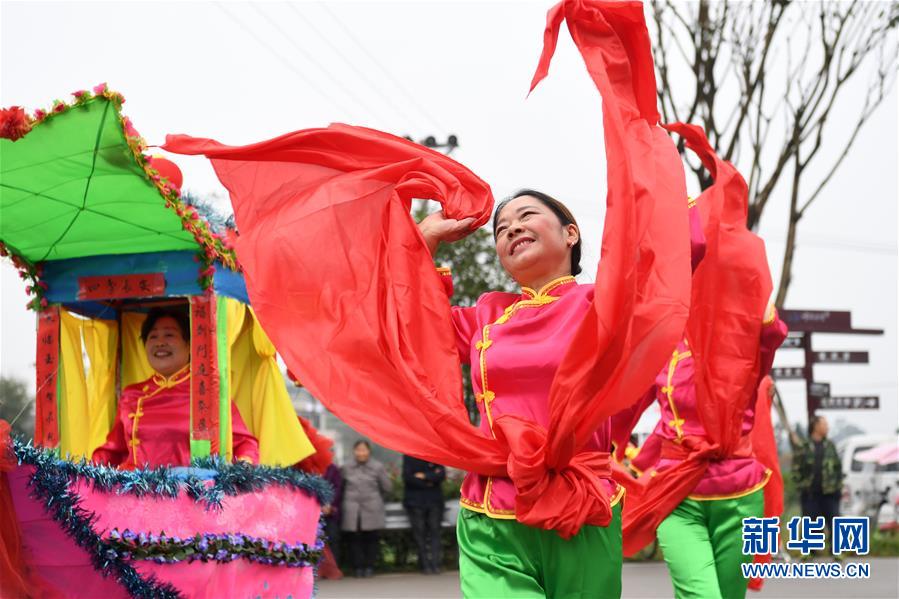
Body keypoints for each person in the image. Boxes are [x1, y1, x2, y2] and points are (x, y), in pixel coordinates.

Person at [417, 189, 625, 597]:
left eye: (526, 215)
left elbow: (666, 270)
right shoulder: (488, 313)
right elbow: (416, 322)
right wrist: (425, 239)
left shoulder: (603, 302)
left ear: (571, 234)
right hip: (492, 507)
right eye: (501, 228)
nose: (512, 227)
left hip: (581, 501)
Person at [92, 307, 259, 468]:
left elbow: (245, 444)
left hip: (190, 492)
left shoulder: (207, 391)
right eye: (153, 336)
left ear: (189, 344)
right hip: (135, 491)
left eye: (169, 334)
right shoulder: (132, 395)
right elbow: (113, 451)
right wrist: (83, 471)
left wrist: (242, 467)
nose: (160, 343)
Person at [341, 440, 391, 578]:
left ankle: (369, 567)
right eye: (358, 450)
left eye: (364, 450)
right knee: (354, 540)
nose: (361, 453)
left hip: (372, 507)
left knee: (371, 539)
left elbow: (387, 487)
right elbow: (341, 487)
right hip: (352, 508)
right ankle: (357, 568)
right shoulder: (346, 467)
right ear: (354, 451)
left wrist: (376, 499)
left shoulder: (377, 467)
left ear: (369, 451)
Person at [793, 415, 844, 528]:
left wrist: (838, 489)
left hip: (830, 495)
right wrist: (802, 488)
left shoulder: (830, 446)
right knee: (812, 529)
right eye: (824, 425)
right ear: (816, 426)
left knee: (836, 527)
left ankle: (835, 546)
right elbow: (796, 470)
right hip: (810, 497)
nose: (827, 427)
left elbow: (838, 469)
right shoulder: (804, 447)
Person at [402, 455, 446, 574]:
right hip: (415, 502)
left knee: (435, 531)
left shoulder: (434, 453)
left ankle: (436, 564)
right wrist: (430, 481)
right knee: (419, 532)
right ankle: (424, 564)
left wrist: (424, 476)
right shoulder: (409, 455)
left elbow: (441, 475)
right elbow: (408, 478)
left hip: (434, 501)